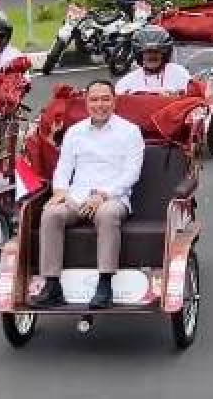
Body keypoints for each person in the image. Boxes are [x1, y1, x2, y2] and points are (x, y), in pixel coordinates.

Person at [29, 79, 145, 310]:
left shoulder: (130, 132)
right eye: (94, 100)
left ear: (114, 102)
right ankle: (52, 285)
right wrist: (60, 190)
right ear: (86, 102)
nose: (100, 105)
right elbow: (63, 168)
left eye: (105, 99)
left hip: (113, 197)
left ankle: (105, 284)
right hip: (78, 196)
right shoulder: (75, 132)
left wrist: (103, 195)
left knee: (106, 215)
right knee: (51, 213)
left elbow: (132, 173)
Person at [115, 26, 191, 94]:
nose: (152, 56)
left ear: (164, 54)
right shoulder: (127, 82)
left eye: (156, 51)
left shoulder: (179, 74)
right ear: (140, 54)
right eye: (147, 52)